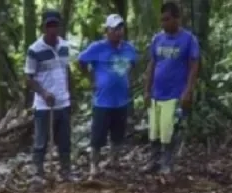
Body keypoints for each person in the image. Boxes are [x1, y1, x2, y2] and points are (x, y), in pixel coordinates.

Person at [77, 14, 138, 179]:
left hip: (121, 101)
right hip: (102, 101)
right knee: (97, 137)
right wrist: (91, 79)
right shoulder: (97, 47)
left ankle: (114, 161)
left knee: (118, 135)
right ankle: (94, 166)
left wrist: (128, 80)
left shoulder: (129, 48)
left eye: (121, 28)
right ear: (107, 30)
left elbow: (133, 64)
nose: (118, 32)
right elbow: (81, 61)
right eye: (115, 29)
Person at [143, 2, 200, 174]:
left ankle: (166, 163)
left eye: (167, 19)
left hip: (174, 94)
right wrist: (146, 90)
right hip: (156, 93)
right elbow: (152, 64)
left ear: (177, 19)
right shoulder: (157, 39)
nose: (164, 23)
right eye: (162, 20)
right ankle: (153, 161)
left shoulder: (189, 39)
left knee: (169, 130)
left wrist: (188, 91)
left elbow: (194, 66)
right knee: (154, 130)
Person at [25, 10, 75, 182]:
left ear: (60, 27)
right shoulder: (34, 49)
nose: (52, 29)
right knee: (41, 141)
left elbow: (67, 71)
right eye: (49, 26)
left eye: (55, 25)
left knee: (64, 141)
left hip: (63, 102)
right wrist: (44, 92)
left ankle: (65, 171)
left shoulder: (64, 46)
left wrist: (71, 96)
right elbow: (29, 78)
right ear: (44, 27)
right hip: (44, 105)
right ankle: (38, 173)